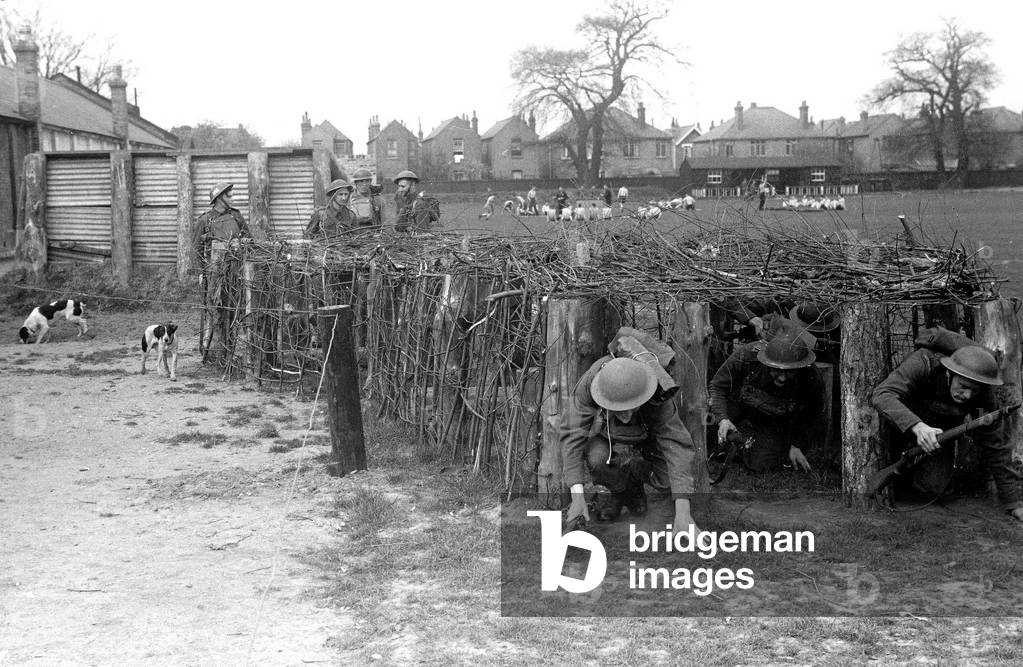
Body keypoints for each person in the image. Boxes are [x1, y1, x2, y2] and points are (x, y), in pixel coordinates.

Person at [872, 338, 1023, 522]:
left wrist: (1013, 503)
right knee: (884, 465)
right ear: (949, 372)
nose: (967, 395)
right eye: (963, 386)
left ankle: (908, 477)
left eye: (974, 391)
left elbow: (997, 445)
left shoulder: (984, 394)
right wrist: (917, 427)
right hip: (899, 424)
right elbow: (882, 395)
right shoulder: (923, 363)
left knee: (932, 485)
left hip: (938, 436)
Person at [560, 353, 699, 532]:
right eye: (620, 409)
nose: (626, 416)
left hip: (648, 433)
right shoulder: (590, 384)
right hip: (606, 432)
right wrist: (578, 497)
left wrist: (683, 513)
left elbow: (677, 445)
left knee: (669, 480)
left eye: (631, 408)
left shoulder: (658, 392)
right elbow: (572, 435)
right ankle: (621, 493)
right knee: (597, 459)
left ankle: (634, 472)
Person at [711, 324, 824, 472]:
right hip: (739, 403)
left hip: (772, 419)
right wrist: (722, 418)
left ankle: (743, 443)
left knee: (761, 465)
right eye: (777, 370)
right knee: (706, 433)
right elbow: (717, 385)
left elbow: (811, 413)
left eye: (789, 372)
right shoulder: (747, 355)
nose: (782, 378)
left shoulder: (810, 376)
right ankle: (729, 439)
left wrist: (796, 444)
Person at [193, 181, 250, 290]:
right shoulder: (204, 220)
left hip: (238, 272)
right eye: (229, 196)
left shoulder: (236, 215)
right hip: (214, 274)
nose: (232, 199)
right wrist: (201, 273)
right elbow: (196, 249)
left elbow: (249, 240)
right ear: (219, 198)